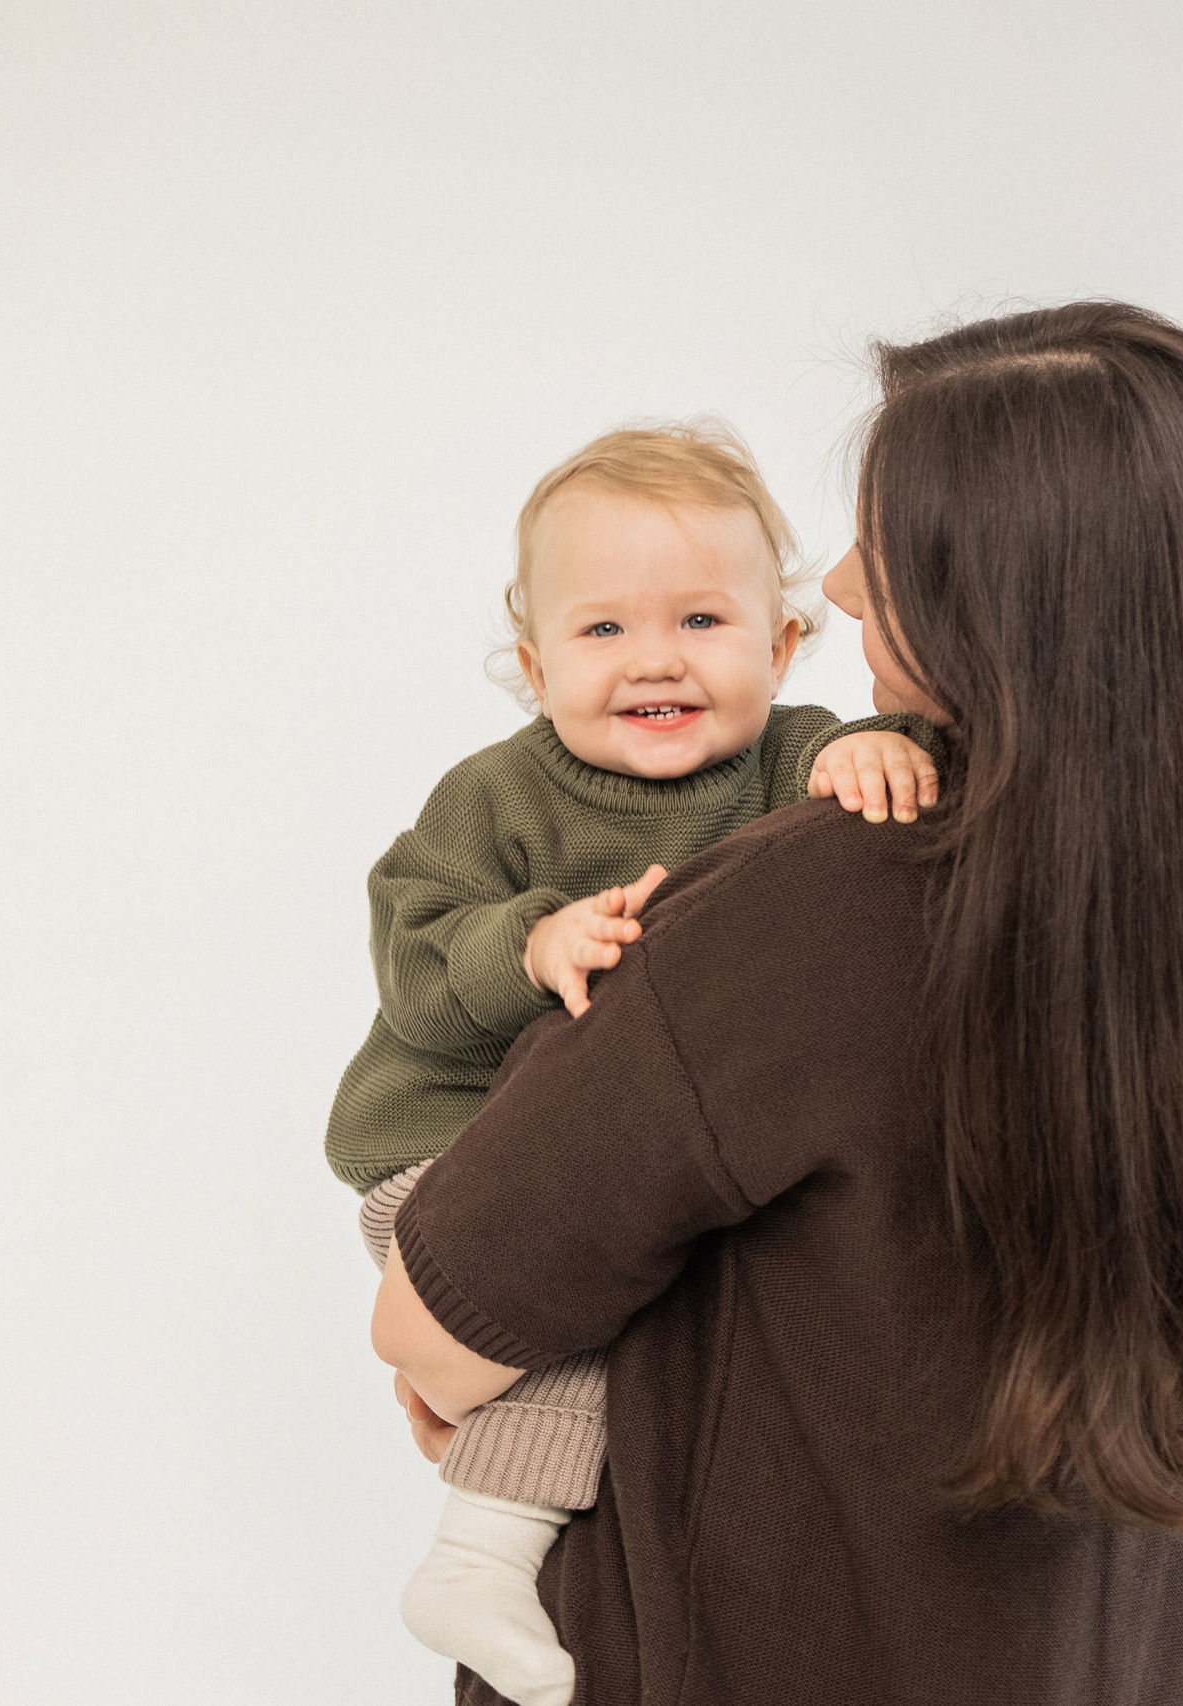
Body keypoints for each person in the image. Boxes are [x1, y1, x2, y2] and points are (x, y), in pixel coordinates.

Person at [372, 301, 1183, 1705]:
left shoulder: (818, 910)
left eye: (890, 543)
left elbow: (432, 1322)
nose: (847, 581)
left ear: (1003, 592)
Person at [326, 420, 943, 1706]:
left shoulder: (796, 762)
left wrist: (878, 752)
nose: (654, 660)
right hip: (441, 1148)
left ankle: (483, 1554)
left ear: (781, 646)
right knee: (571, 1334)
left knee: (645, 1330)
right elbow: (417, 956)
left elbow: (865, 785)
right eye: (601, 631)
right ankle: (481, 1556)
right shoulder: (493, 799)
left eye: (704, 623)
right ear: (530, 655)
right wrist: (530, 940)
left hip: (616, 1180)